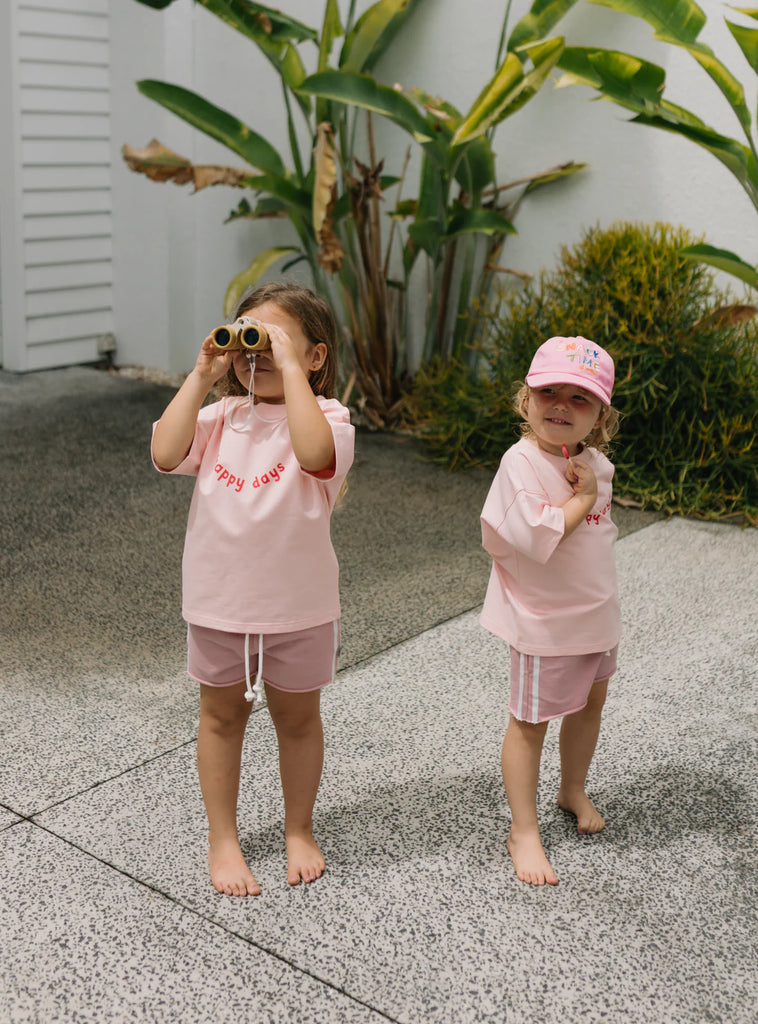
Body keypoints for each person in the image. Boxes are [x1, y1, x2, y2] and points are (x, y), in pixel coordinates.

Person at [151, 282, 354, 897]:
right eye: (245, 338)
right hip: (220, 605)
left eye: (269, 340)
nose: (253, 353)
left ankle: (298, 827)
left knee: (298, 721)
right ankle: (223, 839)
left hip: (299, 609)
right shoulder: (218, 418)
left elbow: (315, 455)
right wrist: (204, 374)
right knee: (219, 720)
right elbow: (164, 451)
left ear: (315, 357)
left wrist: (287, 366)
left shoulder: (332, 419)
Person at [480, 336, 621, 887]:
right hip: (544, 619)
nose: (561, 405)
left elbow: (595, 539)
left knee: (590, 702)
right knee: (531, 721)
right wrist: (581, 501)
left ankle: (572, 788)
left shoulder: (596, 464)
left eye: (579, 398)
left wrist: (591, 493)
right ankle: (523, 829)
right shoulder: (519, 463)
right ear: (526, 400)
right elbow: (540, 536)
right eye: (549, 392)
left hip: (596, 612)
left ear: (600, 417)